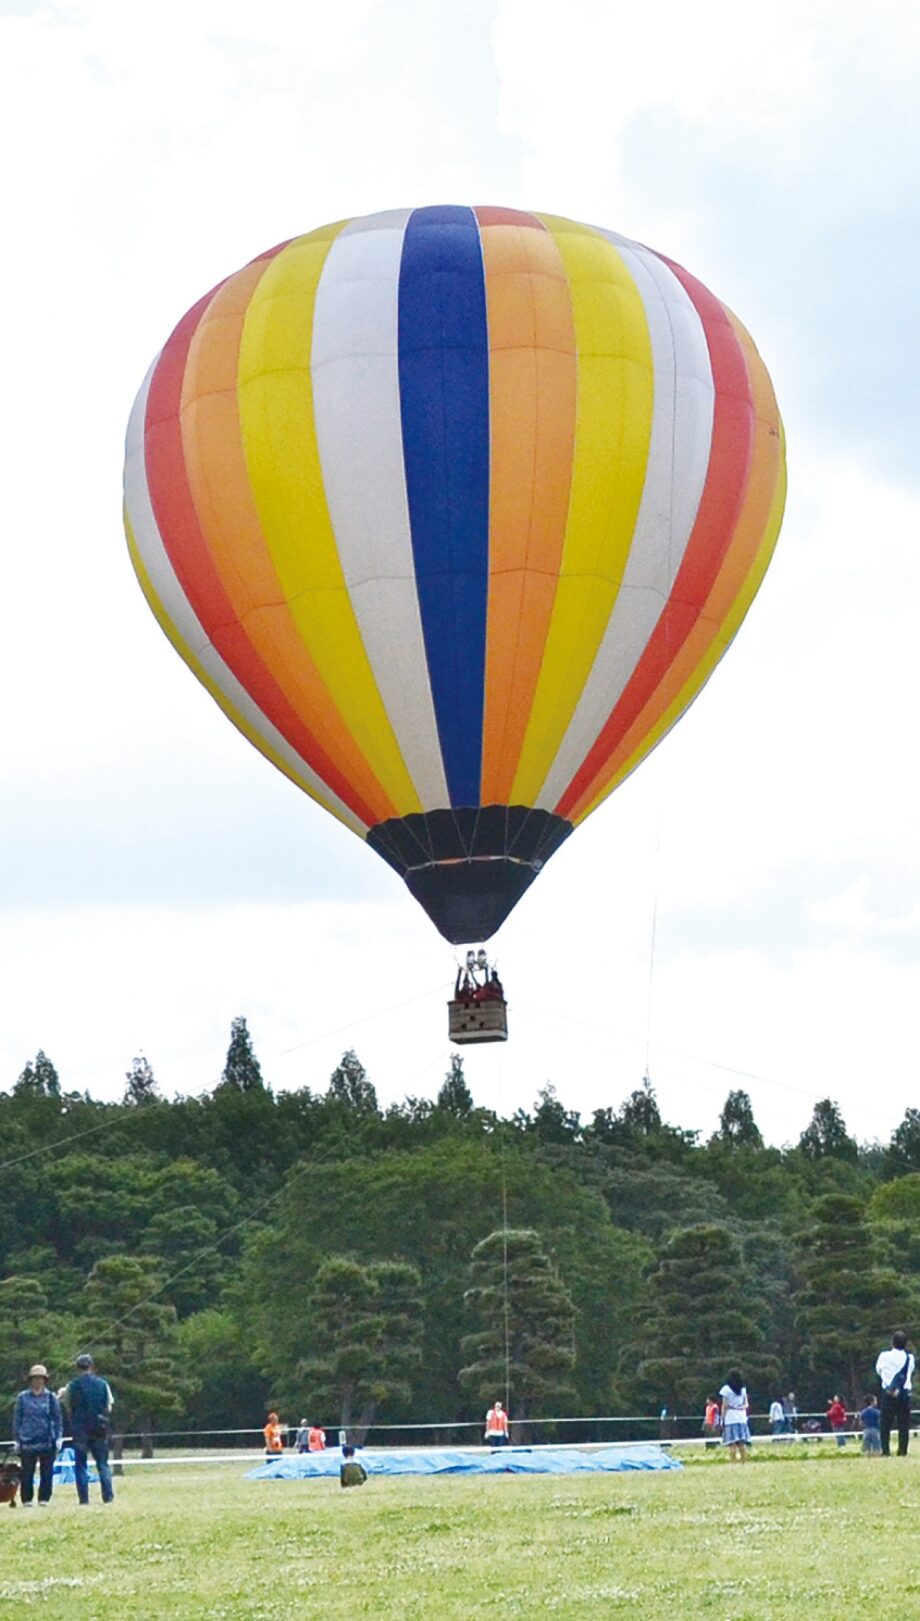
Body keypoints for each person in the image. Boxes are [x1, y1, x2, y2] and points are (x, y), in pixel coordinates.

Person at [64, 1354, 114, 1506]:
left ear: (77, 1367)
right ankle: (108, 1497)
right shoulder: (102, 1384)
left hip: (80, 1429)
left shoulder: (72, 1386)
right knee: (102, 1464)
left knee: (80, 1465)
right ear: (92, 1366)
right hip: (99, 1428)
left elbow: (69, 1407)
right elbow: (109, 1407)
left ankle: (84, 1499)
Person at [13, 1364, 62, 1507]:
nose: (38, 1381)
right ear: (31, 1380)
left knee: (47, 1473)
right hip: (27, 1440)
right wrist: (17, 1440)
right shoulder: (22, 1398)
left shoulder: (51, 1397)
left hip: (47, 1440)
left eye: (41, 1378)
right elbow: (17, 1420)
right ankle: (27, 1500)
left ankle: (44, 1499)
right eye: (35, 1378)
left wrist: (58, 1437)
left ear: (45, 1380)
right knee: (27, 1473)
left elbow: (57, 1419)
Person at [876, 1329, 915, 1458]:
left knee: (885, 1423)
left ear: (892, 1342)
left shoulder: (884, 1356)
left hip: (889, 1392)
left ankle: (885, 1450)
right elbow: (911, 1372)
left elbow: (879, 1370)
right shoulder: (910, 1358)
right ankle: (902, 1450)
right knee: (903, 1423)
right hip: (904, 1393)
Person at [719, 1371, 751, 1462]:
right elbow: (746, 1404)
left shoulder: (726, 1389)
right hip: (741, 1417)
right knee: (742, 1443)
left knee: (732, 1443)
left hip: (730, 1418)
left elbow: (724, 1406)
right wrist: (740, 1407)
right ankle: (743, 1462)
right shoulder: (743, 1389)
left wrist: (722, 1419)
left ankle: (733, 1462)